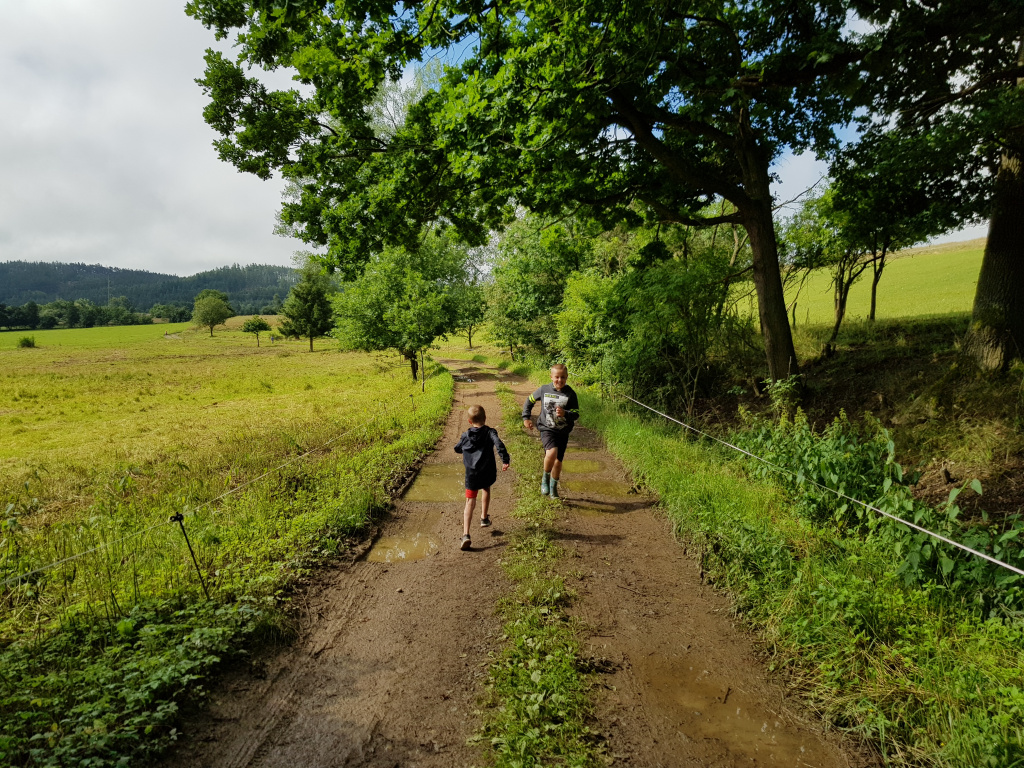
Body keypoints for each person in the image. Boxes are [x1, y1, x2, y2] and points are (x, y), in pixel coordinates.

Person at [453, 404, 510, 551]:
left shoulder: (466, 435)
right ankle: (484, 518)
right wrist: (505, 459)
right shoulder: (490, 432)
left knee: (470, 501)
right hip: (487, 471)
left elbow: (457, 448)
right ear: (485, 418)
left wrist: (464, 449)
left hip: (471, 474)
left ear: (469, 421)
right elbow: (498, 443)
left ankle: (466, 534)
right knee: (486, 488)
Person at [522, 363, 579, 499]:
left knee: (558, 462)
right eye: (557, 377)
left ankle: (553, 487)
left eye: (563, 377)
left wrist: (565, 413)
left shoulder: (570, 393)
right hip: (546, 428)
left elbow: (576, 414)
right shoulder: (544, 389)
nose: (560, 380)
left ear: (567, 377)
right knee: (551, 453)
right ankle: (545, 478)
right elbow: (529, 400)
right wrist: (526, 417)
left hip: (563, 431)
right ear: (551, 377)